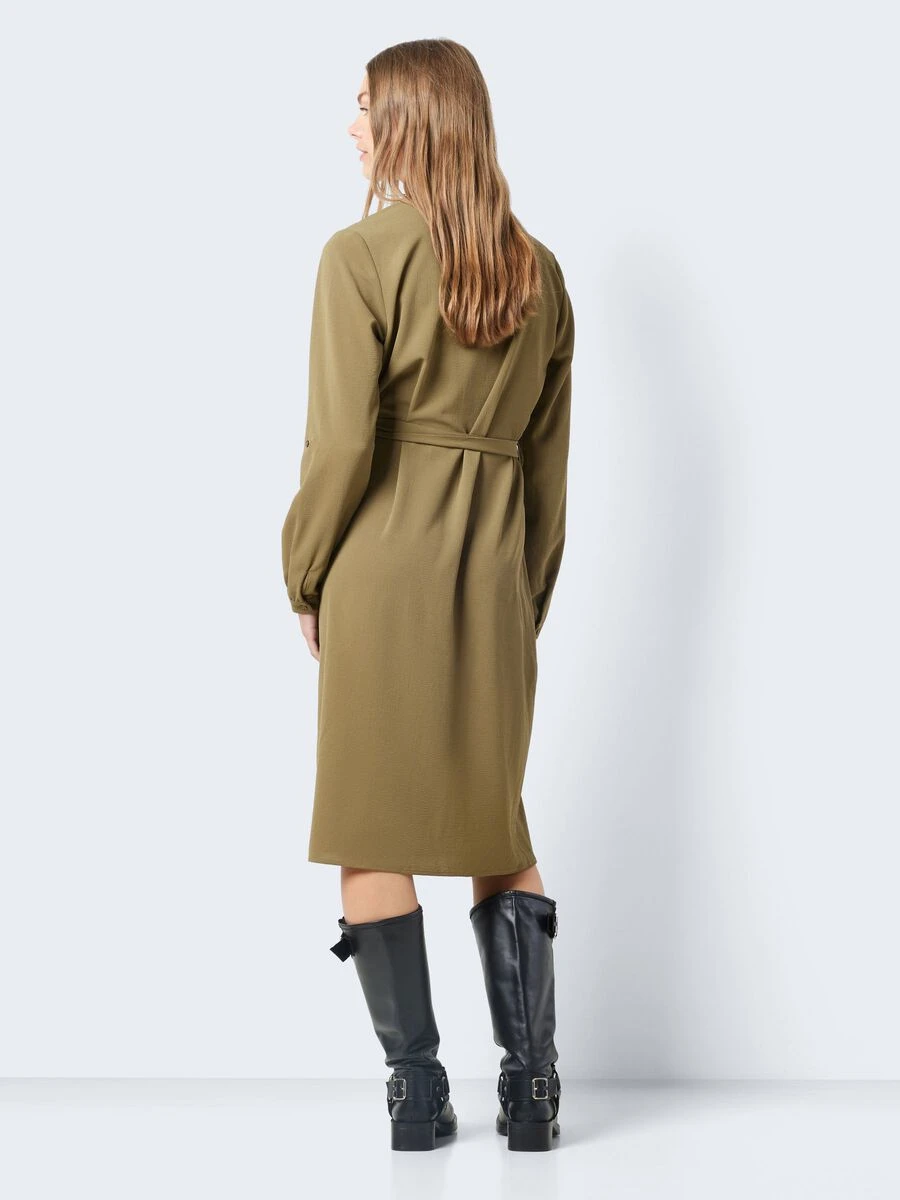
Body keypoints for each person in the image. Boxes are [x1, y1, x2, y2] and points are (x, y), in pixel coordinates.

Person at [281, 39, 574, 1152]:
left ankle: (416, 1093)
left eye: (365, 105)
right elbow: (548, 473)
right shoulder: (540, 275)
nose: (350, 126)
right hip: (494, 581)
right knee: (498, 824)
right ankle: (533, 1092)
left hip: (378, 575)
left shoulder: (359, 257)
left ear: (408, 119)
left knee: (372, 829)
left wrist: (304, 569)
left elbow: (341, 447)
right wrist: (521, 600)